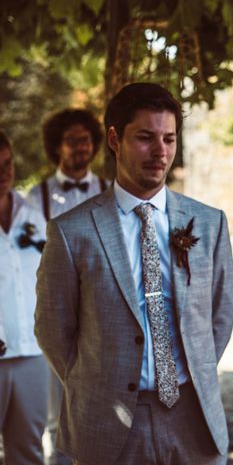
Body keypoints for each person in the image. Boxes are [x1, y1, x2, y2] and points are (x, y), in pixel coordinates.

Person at [35, 83, 233, 465]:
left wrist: (193, 372)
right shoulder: (71, 231)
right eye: (145, 138)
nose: (161, 152)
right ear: (114, 138)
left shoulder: (209, 223)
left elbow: (220, 314)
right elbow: (52, 328)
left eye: (169, 139)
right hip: (110, 426)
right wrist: (99, 381)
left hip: (195, 418)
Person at [26, 108, 109, 465]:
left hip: (103, 322)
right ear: (57, 146)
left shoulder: (111, 191)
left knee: (107, 412)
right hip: (56, 321)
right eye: (72, 141)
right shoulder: (35, 198)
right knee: (58, 416)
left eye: (86, 140)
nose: (81, 148)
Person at [0, 130, 49, 464]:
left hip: (32, 354)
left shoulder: (33, 215)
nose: (3, 173)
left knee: (28, 451)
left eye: (7, 164)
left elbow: (48, 279)